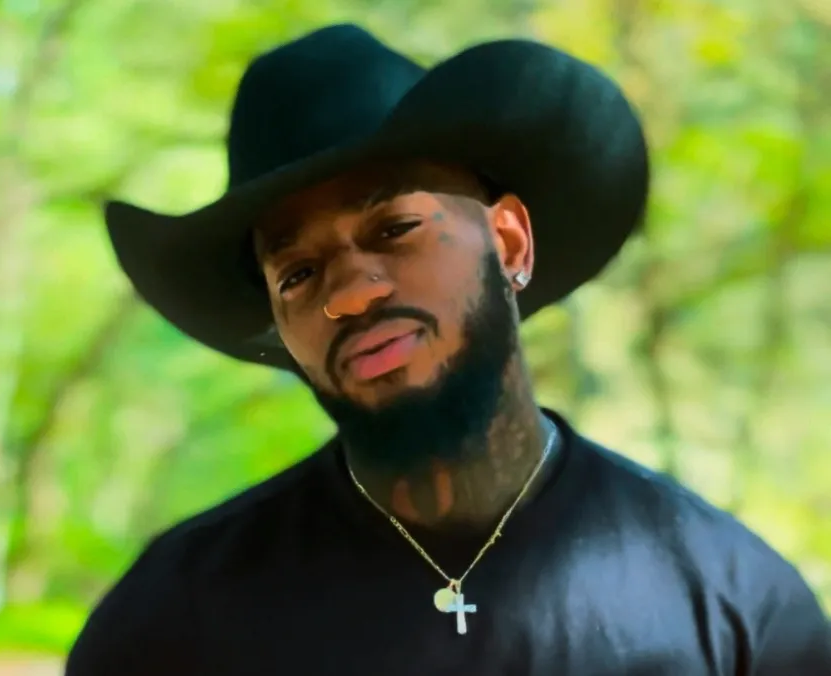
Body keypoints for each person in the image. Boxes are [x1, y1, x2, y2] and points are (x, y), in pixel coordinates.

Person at [65, 24, 831, 676]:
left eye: (393, 229)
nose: (348, 295)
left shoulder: (732, 604)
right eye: (297, 274)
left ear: (508, 242)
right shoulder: (174, 620)